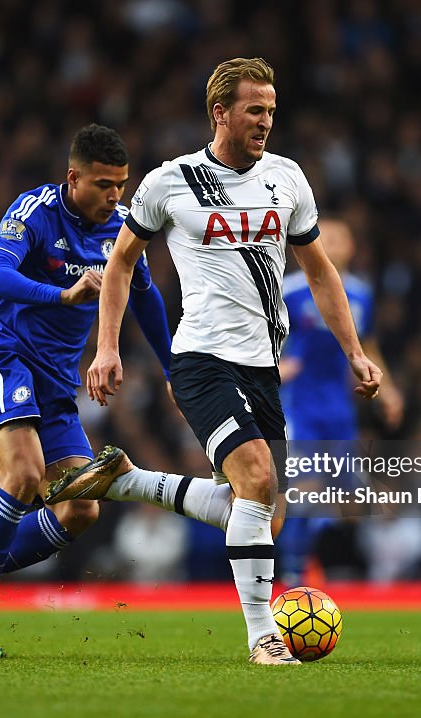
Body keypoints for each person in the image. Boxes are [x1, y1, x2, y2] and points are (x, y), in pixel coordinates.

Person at [48, 58, 382, 666]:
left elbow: (319, 271)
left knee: (259, 510)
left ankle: (127, 480)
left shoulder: (288, 180)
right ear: (219, 113)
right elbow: (122, 262)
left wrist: (354, 352)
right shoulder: (169, 182)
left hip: (263, 365)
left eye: (272, 112)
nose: (265, 123)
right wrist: (106, 348)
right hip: (200, 360)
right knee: (257, 480)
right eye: (255, 111)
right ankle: (263, 638)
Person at [0, 124, 182, 659]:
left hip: (56, 388)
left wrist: (176, 370)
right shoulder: (35, 211)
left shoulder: (121, 231)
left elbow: (145, 296)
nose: (116, 197)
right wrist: (60, 294)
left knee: (82, 511)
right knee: (23, 474)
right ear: (73, 177)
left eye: (122, 185)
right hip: (6, 363)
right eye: (105, 185)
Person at [275, 218, 405, 583]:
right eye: (324, 237)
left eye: (339, 237)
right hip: (298, 405)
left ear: (351, 247)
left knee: (341, 494)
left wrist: (389, 391)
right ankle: (290, 574)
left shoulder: (361, 294)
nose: (330, 243)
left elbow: (369, 346)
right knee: (306, 488)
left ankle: (332, 568)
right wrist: (273, 367)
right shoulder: (289, 290)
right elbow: (261, 333)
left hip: (340, 408)